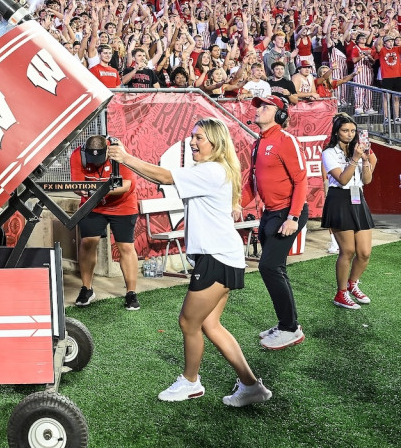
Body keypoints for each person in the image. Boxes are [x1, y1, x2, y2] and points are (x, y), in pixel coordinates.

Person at [108, 120, 272, 406]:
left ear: (215, 143)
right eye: (192, 136)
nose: (192, 142)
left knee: (188, 322)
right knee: (210, 324)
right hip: (223, 256)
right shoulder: (213, 170)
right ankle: (251, 385)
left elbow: (165, 177)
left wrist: (125, 158)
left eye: (199, 137)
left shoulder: (210, 170)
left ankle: (191, 382)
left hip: (216, 257)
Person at [241, 96, 309, 351]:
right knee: (275, 268)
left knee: (269, 267)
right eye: (259, 106)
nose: (259, 110)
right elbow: (254, 182)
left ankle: (290, 329)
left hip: (288, 214)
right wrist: (239, 203)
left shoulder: (285, 140)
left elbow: (301, 180)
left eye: (266, 107)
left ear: (279, 115)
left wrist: (292, 217)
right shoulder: (258, 143)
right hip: (270, 213)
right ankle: (287, 324)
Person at [70, 136, 141, 310]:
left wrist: (98, 191)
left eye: (99, 160)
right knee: (88, 242)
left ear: (108, 151)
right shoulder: (77, 155)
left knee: (125, 247)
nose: (95, 164)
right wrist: (87, 192)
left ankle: (131, 293)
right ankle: (87, 288)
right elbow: (76, 184)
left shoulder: (118, 151)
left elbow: (126, 185)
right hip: (92, 204)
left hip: (122, 205)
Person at [321, 114, 377, 309]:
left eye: (353, 131)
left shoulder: (358, 149)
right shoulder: (329, 153)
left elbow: (367, 180)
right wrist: (354, 159)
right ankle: (341, 293)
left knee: (364, 252)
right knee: (348, 251)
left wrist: (365, 159)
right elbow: (343, 180)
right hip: (339, 200)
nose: (349, 134)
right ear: (337, 132)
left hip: (357, 198)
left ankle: (353, 284)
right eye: (345, 130)